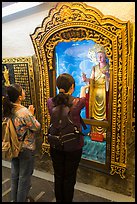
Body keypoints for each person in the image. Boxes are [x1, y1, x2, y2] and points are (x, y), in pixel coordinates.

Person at [47, 73, 86, 202]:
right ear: (72, 86)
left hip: (55, 144)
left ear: (58, 86)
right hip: (73, 146)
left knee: (58, 176)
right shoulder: (77, 102)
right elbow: (83, 100)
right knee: (69, 178)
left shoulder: (50, 102)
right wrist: (84, 89)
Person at [2, 83, 41, 202]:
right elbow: (37, 127)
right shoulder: (24, 112)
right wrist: (32, 114)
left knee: (14, 176)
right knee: (24, 179)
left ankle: (14, 199)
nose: (24, 92)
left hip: (13, 146)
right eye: (22, 90)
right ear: (19, 97)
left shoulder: (7, 109)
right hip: (25, 148)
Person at [82, 47, 110, 121]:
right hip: (95, 92)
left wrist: (107, 75)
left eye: (101, 56)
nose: (99, 58)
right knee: (94, 114)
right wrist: (86, 79)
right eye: (98, 56)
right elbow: (92, 80)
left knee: (105, 112)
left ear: (105, 56)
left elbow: (112, 81)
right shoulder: (94, 68)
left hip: (104, 91)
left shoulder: (109, 67)